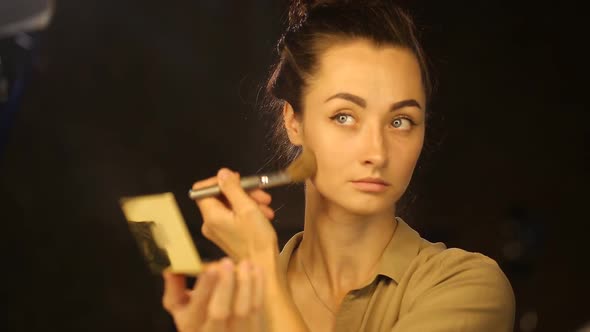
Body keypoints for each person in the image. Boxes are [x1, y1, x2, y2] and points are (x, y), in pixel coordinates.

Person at [162, 1, 516, 331]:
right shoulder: (236, 304)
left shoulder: (467, 285)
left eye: (401, 121)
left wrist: (262, 269)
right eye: (344, 116)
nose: (377, 154)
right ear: (294, 121)